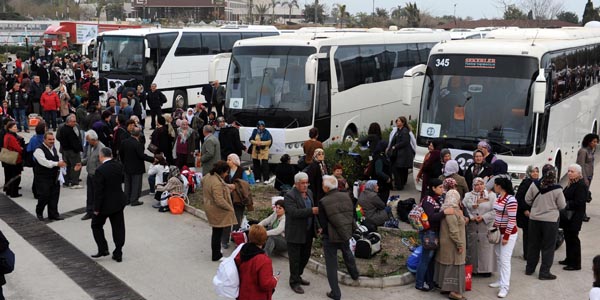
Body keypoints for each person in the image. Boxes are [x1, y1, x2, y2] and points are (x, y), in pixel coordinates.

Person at [319, 175, 359, 300]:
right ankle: (354, 274)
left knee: (331, 265)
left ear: (326, 187)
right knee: (347, 253)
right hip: (345, 233)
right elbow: (350, 215)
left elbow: (323, 223)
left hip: (330, 237)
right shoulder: (346, 196)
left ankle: (335, 293)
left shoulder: (323, 202)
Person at [525, 164, 566, 280]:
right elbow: (562, 205)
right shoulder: (557, 189)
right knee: (548, 247)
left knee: (533, 245)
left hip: (534, 220)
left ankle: (530, 268)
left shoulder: (535, 185)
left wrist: (536, 207)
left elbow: (527, 199)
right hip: (550, 222)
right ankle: (544, 272)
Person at [91, 147, 127, 263]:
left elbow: (98, 192)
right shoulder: (119, 165)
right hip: (118, 202)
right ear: (111, 154)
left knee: (96, 225)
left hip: (105, 205)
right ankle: (118, 251)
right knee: (118, 227)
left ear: (101, 156)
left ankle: (103, 249)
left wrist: (96, 208)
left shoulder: (100, 170)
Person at [284, 172, 319, 294]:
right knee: (295, 259)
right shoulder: (290, 196)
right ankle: (294, 282)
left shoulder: (309, 193)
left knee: (305, 257)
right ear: (296, 184)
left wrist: (317, 226)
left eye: (306, 183)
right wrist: (311, 211)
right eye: (302, 183)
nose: (305, 185)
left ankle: (298, 276)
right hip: (295, 233)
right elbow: (293, 212)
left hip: (308, 232)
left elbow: (314, 214)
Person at [434, 189, 467, 300]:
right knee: (455, 265)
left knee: (447, 264)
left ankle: (445, 287)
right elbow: (453, 230)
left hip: (446, 243)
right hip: (452, 243)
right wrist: (460, 244)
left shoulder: (446, 209)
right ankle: (455, 292)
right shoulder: (451, 211)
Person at [489, 177, 519, 298]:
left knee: (505, 260)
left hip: (508, 233)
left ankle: (505, 287)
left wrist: (506, 236)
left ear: (499, 186)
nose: (494, 187)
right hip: (498, 232)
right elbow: (497, 215)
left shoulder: (511, 200)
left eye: (495, 185)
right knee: (499, 257)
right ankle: (501, 280)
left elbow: (512, 220)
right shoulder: (498, 198)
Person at [202, 160, 237, 261]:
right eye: (226, 172)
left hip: (209, 206)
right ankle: (216, 255)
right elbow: (219, 200)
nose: (227, 174)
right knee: (217, 232)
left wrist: (226, 186)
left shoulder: (209, 176)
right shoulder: (217, 183)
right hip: (216, 210)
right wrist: (230, 208)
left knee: (216, 231)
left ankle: (217, 252)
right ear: (222, 171)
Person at [234, 224, 279, 300]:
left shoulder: (242, 250)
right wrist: (275, 279)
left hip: (242, 292)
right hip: (256, 295)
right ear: (264, 240)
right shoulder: (264, 260)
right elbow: (265, 284)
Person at [462, 177, 496, 277]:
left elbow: (495, 211)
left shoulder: (491, 196)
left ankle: (486, 269)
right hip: (472, 226)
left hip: (485, 226)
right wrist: (472, 217)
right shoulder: (468, 196)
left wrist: (483, 217)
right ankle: (473, 269)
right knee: (472, 248)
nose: (479, 186)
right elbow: (464, 208)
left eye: (481, 184)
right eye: (477, 184)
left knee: (485, 249)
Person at [33, 131, 67, 220]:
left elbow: (59, 157)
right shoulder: (38, 150)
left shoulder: (54, 148)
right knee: (44, 195)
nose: (52, 141)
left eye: (53, 139)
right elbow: (44, 162)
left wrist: (62, 162)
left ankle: (53, 214)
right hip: (43, 177)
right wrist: (57, 163)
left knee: (54, 195)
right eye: (49, 139)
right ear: (44, 140)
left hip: (54, 176)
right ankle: (39, 211)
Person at [559, 164, 588, 271]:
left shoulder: (580, 185)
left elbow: (579, 202)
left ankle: (575, 264)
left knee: (573, 239)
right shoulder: (571, 183)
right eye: (569, 171)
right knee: (568, 237)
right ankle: (569, 259)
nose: (569, 173)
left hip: (575, 217)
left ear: (578, 173)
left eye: (572, 171)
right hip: (568, 217)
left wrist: (566, 203)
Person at [120, 127, 155, 206]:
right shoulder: (137, 144)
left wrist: (124, 162)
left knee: (127, 184)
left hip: (127, 166)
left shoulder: (124, 142)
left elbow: (121, 154)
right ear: (139, 134)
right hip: (137, 167)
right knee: (136, 185)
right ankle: (134, 200)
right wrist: (153, 159)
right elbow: (142, 156)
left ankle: (127, 199)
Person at [221, 153, 246, 248]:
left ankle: (235, 237)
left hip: (239, 198)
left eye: (229, 159)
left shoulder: (241, 171)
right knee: (227, 218)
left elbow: (246, 184)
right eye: (227, 159)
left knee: (237, 219)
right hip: (227, 198)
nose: (227, 161)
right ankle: (224, 240)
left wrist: (236, 187)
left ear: (235, 162)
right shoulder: (226, 171)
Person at [78, 130, 105, 220]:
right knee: (90, 195)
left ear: (93, 139)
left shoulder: (102, 149)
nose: (87, 142)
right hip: (90, 175)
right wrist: (81, 163)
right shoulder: (90, 146)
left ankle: (97, 212)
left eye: (88, 140)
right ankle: (89, 212)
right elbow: (88, 158)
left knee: (97, 195)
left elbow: (103, 164)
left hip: (97, 176)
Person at [515, 165, 539, 260]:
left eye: (537, 171)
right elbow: (519, 198)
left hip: (536, 213)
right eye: (533, 171)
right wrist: (525, 209)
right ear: (529, 173)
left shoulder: (539, 182)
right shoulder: (526, 183)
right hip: (526, 214)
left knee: (534, 235)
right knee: (528, 235)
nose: (535, 173)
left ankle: (532, 254)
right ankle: (527, 255)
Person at [57, 114, 83, 188]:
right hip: (72, 151)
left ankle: (67, 181)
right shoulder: (67, 130)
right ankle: (74, 182)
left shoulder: (65, 128)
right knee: (76, 165)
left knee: (67, 166)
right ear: (68, 122)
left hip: (66, 150)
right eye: (73, 121)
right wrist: (77, 149)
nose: (75, 123)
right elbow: (73, 142)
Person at [577, 133, 598, 222]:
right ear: (588, 142)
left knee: (585, 196)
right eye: (594, 142)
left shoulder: (591, 151)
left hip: (589, 176)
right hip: (584, 177)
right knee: (582, 196)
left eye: (596, 142)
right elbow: (580, 165)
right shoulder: (583, 151)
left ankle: (583, 213)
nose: (595, 143)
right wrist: (584, 179)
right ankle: (582, 214)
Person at [389, 116, 414, 190]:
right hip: (399, 153)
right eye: (397, 121)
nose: (397, 122)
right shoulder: (398, 130)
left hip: (403, 154)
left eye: (399, 121)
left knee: (397, 169)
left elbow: (405, 142)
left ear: (403, 123)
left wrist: (395, 146)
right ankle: (401, 183)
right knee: (400, 169)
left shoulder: (405, 131)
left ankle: (399, 185)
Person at [3, 121, 24, 197]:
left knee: (9, 175)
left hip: (8, 158)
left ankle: (9, 190)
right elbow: (18, 148)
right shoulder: (11, 137)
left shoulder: (6, 135)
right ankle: (14, 193)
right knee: (16, 176)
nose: (16, 128)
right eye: (14, 127)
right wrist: (22, 148)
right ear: (9, 128)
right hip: (15, 159)